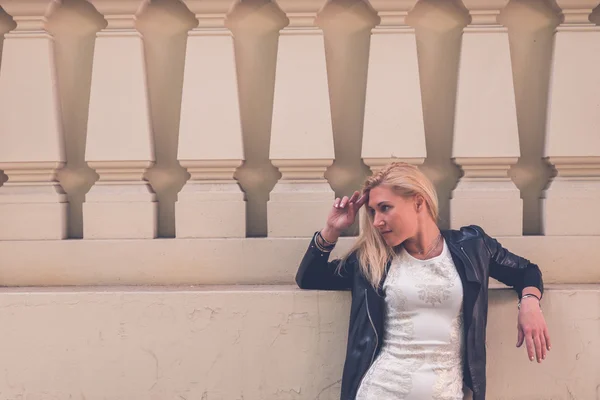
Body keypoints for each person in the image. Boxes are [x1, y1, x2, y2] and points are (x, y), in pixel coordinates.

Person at [295, 162, 550, 400]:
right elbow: (310, 277)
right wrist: (332, 230)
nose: (377, 221)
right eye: (372, 212)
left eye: (385, 207)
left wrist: (529, 302)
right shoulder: (373, 259)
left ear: (418, 202)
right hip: (380, 391)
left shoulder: (472, 247)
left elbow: (526, 271)